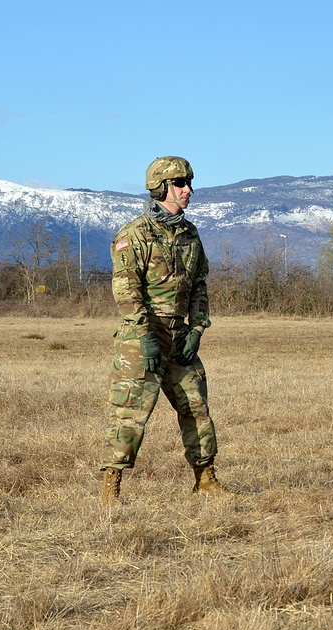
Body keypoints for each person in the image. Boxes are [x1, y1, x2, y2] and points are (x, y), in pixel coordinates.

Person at [99, 156, 228, 504]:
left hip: (180, 337)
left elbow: (199, 284)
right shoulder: (134, 235)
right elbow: (126, 292)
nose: (188, 190)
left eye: (189, 183)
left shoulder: (190, 234)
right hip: (141, 339)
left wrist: (197, 329)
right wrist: (144, 337)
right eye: (180, 184)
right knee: (129, 414)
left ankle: (205, 479)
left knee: (196, 408)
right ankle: (111, 487)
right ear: (161, 188)